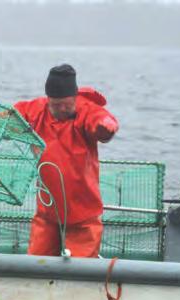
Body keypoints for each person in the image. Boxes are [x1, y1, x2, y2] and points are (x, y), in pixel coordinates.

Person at [13, 64, 118, 258]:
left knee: (80, 274)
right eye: (56, 105)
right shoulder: (36, 109)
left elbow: (102, 120)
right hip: (47, 215)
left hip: (83, 217)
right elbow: (10, 113)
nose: (62, 109)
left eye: (67, 105)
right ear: (48, 100)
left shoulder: (87, 110)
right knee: (35, 267)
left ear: (75, 99)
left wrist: (106, 127)